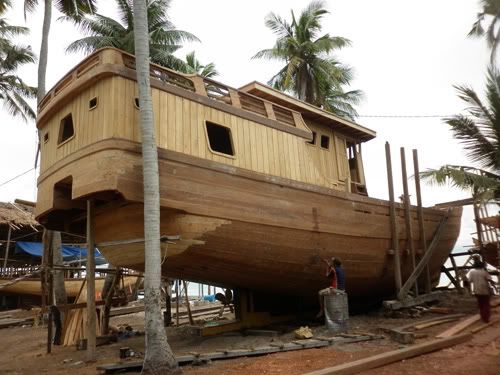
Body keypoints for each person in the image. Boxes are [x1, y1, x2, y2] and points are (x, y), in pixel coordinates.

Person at [467, 257, 494, 323]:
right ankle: (486, 318)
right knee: (486, 304)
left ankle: (483, 317)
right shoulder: (484, 272)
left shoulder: (471, 272)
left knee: (481, 304)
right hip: (485, 290)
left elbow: (469, 281)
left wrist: (469, 291)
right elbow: (490, 279)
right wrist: (493, 284)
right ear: (482, 266)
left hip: (476, 290)